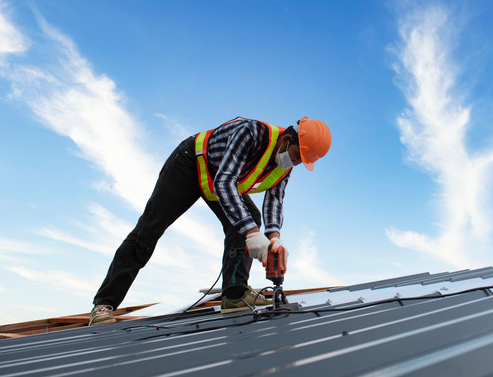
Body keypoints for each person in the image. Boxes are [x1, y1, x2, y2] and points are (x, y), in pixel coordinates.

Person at [88, 116, 331, 325]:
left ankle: (234, 295)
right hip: (191, 164)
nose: (296, 162)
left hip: (220, 181)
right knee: (149, 230)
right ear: (287, 139)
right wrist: (253, 233)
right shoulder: (252, 133)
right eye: (297, 155)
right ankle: (104, 304)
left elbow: (275, 201)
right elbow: (225, 181)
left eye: (302, 161)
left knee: (250, 219)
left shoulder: (285, 167)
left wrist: (274, 239)